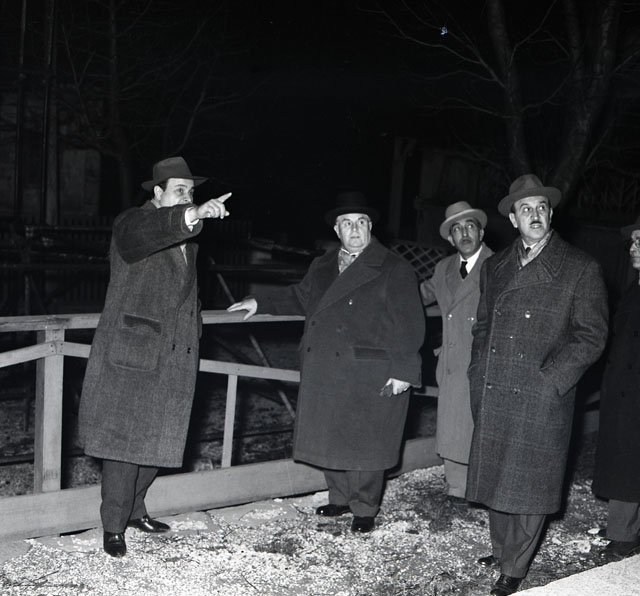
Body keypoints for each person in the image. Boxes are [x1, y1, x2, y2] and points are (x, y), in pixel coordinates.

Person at [228, 191, 425, 533]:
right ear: (337, 230)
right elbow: (300, 296)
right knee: (331, 435)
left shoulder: (394, 268)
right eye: (347, 223)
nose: (355, 229)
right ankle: (340, 497)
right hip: (327, 368)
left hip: (369, 369)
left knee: (366, 441)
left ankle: (364, 507)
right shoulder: (322, 265)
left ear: (371, 227)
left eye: (361, 222)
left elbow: (410, 324)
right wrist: (259, 302)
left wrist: (403, 370)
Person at [79, 156, 232, 557]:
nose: (187, 197)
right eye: (180, 190)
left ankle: (135, 510)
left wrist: (195, 329)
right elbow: (147, 233)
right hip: (133, 353)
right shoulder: (133, 223)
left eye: (191, 192)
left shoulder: (188, 243)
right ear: (157, 193)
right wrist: (193, 214)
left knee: (161, 438)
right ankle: (114, 526)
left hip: (174, 354)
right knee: (124, 444)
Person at [466, 174, 608, 596]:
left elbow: (591, 336)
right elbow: (483, 325)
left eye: (541, 207)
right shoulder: (495, 266)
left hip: (541, 391)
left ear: (551, 214)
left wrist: (553, 380)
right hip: (495, 385)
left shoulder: (580, 268)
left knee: (530, 480)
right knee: (497, 473)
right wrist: (478, 369)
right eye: (525, 209)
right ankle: (502, 549)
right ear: (513, 219)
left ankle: (515, 564)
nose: (534, 215)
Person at [420, 201, 493, 501]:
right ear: (450, 239)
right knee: (452, 425)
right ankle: (456, 489)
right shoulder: (443, 268)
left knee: (479, 426)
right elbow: (420, 295)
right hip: (450, 363)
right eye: (457, 229)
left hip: (482, 363)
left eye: (470, 226)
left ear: (481, 232)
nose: (464, 234)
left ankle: (480, 490)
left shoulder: (496, 266)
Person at [592, 215, 640, 561]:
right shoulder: (634, 288)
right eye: (633, 241)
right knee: (624, 462)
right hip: (623, 392)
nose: (633, 247)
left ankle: (624, 535)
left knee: (629, 463)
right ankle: (621, 527)